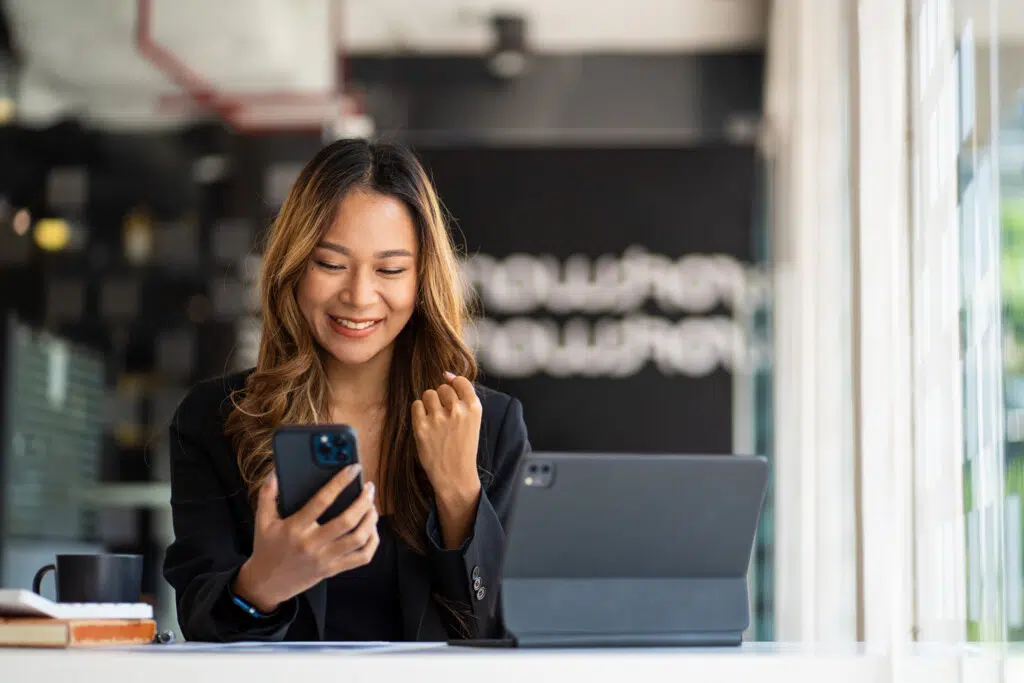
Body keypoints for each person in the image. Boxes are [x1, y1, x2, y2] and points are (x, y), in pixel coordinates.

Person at [162, 139, 531, 643]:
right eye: (331, 264)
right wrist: (264, 584)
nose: (359, 297)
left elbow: (498, 630)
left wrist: (458, 494)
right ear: (294, 267)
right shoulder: (214, 419)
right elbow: (200, 620)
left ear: (422, 279)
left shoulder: (489, 426)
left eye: (390, 270)